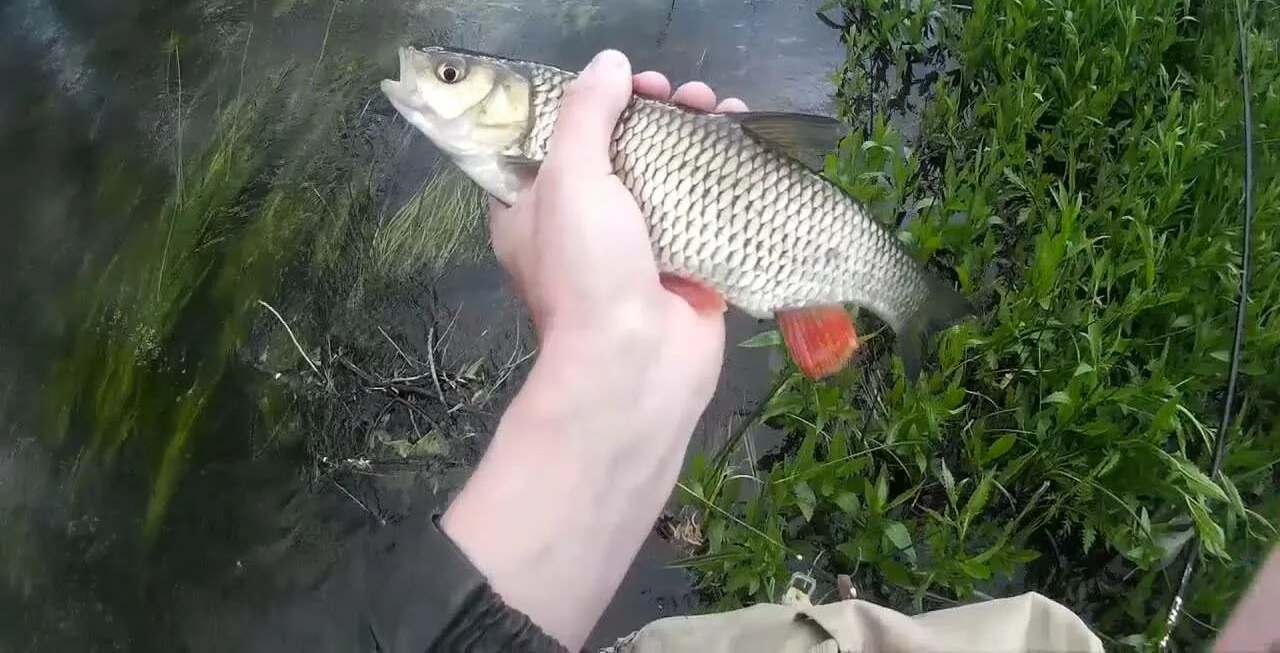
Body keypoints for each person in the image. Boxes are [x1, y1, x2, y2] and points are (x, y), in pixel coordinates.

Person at [363, 51, 1279, 653]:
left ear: (503, 95)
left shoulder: (540, 142)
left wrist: (598, 352)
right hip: (749, 239)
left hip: (790, 239)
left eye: (449, 73)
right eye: (448, 72)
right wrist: (611, 345)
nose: (431, 81)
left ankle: (915, 305)